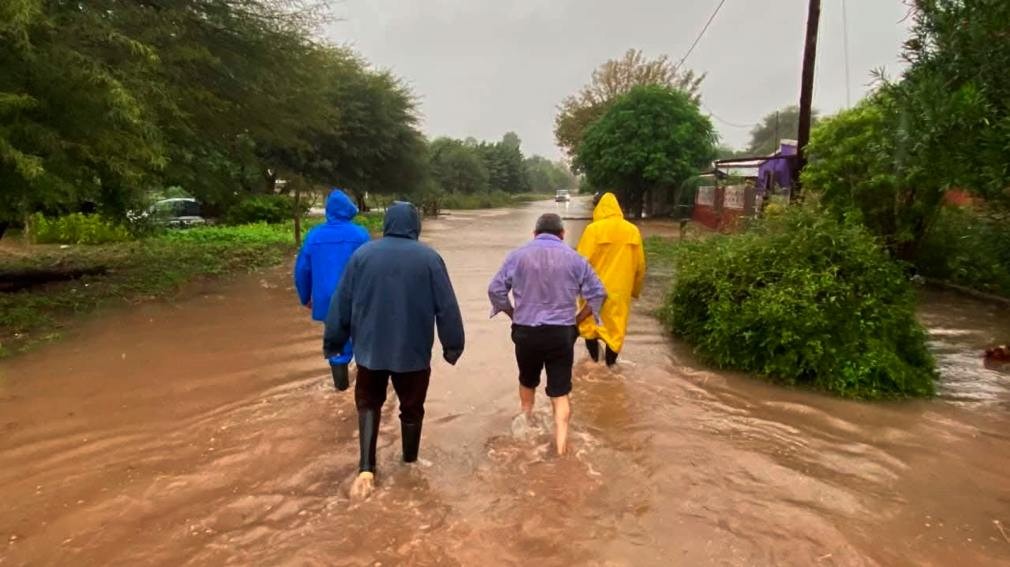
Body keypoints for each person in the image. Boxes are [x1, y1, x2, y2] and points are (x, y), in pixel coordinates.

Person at [324, 201, 464, 499]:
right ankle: (409, 464)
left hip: (370, 352)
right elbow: (447, 308)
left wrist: (333, 341)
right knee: (411, 409)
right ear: (416, 225)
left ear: (387, 223)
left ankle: (366, 468)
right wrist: (452, 345)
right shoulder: (429, 259)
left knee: (368, 404)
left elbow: (342, 302)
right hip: (412, 353)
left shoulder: (361, 256)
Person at [488, 213, 607, 456]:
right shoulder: (575, 259)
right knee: (560, 392)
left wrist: (513, 314)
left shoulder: (517, 256)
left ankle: (524, 434)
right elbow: (598, 294)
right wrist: (578, 320)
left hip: (526, 333)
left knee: (527, 381)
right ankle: (561, 447)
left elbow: (495, 290)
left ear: (534, 234)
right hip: (561, 334)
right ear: (562, 235)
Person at [294, 189, 370, 390]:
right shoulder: (360, 234)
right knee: (363, 341)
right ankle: (364, 394)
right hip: (357, 298)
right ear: (349, 210)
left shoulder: (314, 236)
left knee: (337, 344)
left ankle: (341, 389)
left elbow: (302, 269)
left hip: (327, 300)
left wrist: (305, 298)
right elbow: (370, 268)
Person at [576, 192, 646, 366]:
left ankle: (594, 363)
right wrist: (634, 291)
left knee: (589, 328)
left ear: (599, 209)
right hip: (619, 293)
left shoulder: (593, 230)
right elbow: (640, 266)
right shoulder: (632, 231)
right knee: (615, 332)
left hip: (593, 293)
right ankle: (610, 366)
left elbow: (580, 262)